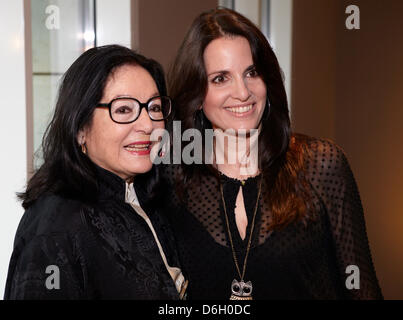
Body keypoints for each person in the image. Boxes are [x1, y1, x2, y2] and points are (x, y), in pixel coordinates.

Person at [161, 8, 383, 300]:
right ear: (197, 95)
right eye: (220, 79)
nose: (242, 92)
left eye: (252, 73)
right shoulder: (175, 178)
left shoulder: (320, 164)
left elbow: (362, 289)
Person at [4, 45, 186, 300]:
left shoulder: (145, 198)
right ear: (80, 128)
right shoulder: (56, 231)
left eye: (154, 108)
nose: (148, 125)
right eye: (123, 110)